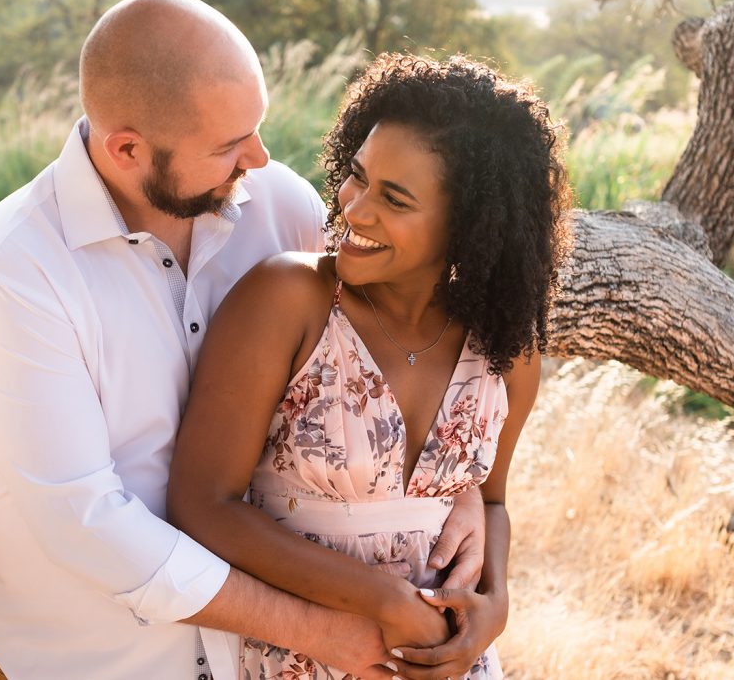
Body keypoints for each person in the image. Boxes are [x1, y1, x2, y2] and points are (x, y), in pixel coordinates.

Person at [0, 0, 492, 678]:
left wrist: (456, 488)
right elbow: (87, 524)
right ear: (127, 149)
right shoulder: (16, 269)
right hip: (89, 659)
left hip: (253, 663)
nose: (260, 157)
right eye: (228, 144)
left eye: (257, 128)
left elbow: (383, 345)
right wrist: (321, 630)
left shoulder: (282, 205)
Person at [168, 53, 573, 680]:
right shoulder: (290, 300)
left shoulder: (504, 349)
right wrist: (382, 599)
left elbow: (490, 501)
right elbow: (202, 503)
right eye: (356, 176)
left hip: (449, 662)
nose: (353, 210)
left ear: (466, 228)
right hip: (301, 655)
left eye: (395, 198)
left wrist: (494, 606)